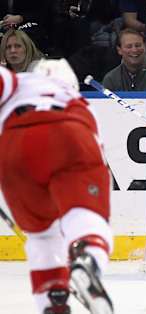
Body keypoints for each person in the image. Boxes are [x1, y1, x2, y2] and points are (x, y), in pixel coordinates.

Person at [0, 58, 113, 313]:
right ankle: (88, 257)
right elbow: (95, 154)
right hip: (68, 134)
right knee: (86, 217)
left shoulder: (20, 82)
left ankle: (53, 298)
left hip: (14, 146)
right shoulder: (77, 101)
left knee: (41, 236)